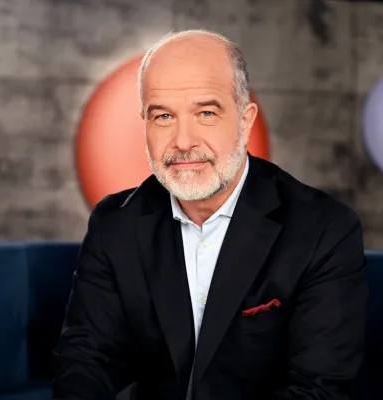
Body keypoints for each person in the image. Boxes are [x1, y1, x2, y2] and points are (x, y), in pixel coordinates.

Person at [52, 30, 367, 400]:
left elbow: (319, 390)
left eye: (205, 113)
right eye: (163, 116)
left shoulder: (324, 230)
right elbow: (87, 359)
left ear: (245, 121)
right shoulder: (114, 223)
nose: (183, 141)